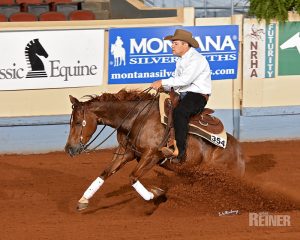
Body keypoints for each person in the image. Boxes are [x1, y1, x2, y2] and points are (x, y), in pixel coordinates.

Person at [151, 29, 212, 163]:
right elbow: (176, 79)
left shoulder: (196, 59)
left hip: (197, 95)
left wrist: (162, 82)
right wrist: (164, 87)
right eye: (172, 43)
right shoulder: (182, 60)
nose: (172, 45)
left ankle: (180, 152)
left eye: (175, 43)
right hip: (184, 94)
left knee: (180, 112)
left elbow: (185, 80)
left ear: (185, 45)